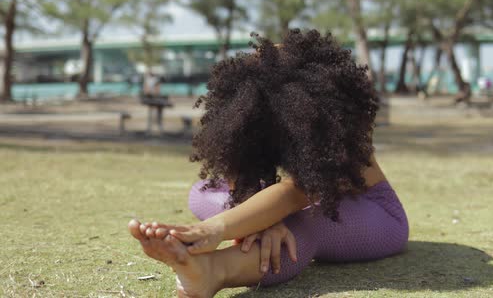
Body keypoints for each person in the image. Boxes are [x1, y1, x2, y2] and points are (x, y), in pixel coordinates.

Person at [128, 29, 409, 298]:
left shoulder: (336, 124)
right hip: (294, 203)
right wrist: (260, 221)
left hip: (373, 212)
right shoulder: (254, 110)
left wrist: (210, 230)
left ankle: (212, 271)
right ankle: (254, 226)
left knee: (305, 225)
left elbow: (293, 194)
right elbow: (237, 178)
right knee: (204, 192)